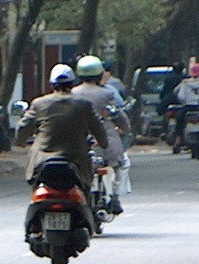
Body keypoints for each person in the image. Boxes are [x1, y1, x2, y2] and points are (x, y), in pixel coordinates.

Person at [15, 64, 108, 194]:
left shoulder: (39, 103)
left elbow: (23, 127)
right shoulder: (84, 104)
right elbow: (99, 128)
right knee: (85, 190)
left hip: (42, 160)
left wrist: (21, 141)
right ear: (72, 83)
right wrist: (102, 143)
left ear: (52, 85)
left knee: (37, 187)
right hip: (76, 161)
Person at [72, 55, 132, 214]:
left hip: (77, 140)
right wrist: (125, 129)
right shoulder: (106, 94)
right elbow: (119, 116)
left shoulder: (72, 93)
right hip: (104, 141)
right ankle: (115, 197)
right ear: (99, 74)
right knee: (123, 163)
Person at [171, 62, 199, 154]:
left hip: (187, 107)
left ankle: (178, 141)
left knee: (179, 120)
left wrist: (185, 102)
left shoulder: (185, 83)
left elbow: (181, 96)